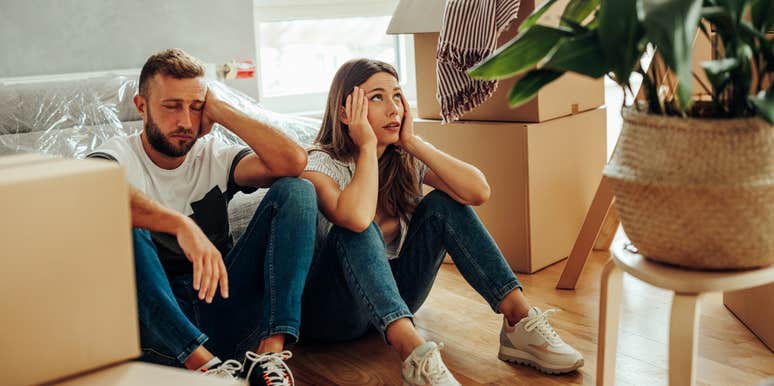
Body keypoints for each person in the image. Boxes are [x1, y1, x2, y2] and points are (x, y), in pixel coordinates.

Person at [299, 58, 584, 385]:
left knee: (443, 203)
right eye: (376, 97)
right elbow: (356, 217)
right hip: (331, 315)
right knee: (358, 229)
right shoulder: (319, 163)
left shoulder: (403, 160)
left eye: (397, 96)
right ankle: (414, 355)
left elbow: (478, 191)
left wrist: (413, 143)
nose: (393, 108)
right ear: (345, 111)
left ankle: (519, 321)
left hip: (397, 302)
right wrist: (365, 146)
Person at [88, 48, 316, 386]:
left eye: (195, 107)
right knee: (124, 222)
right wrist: (180, 225)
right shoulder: (118, 155)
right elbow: (90, 190)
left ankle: (269, 354)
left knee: (299, 192)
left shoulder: (213, 157)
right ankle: (206, 369)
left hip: (222, 309)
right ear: (141, 106)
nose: (184, 121)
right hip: (158, 330)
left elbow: (293, 163)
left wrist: (221, 110)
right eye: (171, 106)